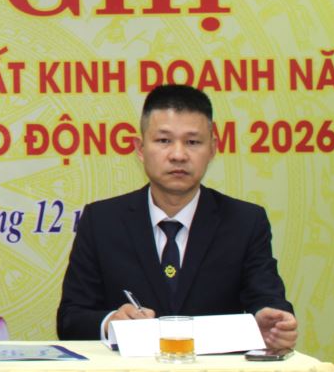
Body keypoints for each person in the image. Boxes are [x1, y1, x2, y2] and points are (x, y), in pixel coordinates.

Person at [57, 83, 298, 352]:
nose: (178, 155)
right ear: (140, 148)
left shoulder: (245, 221)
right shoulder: (102, 221)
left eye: (193, 142)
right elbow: (70, 319)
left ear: (213, 149)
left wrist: (271, 321)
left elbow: (267, 298)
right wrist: (110, 322)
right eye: (164, 141)